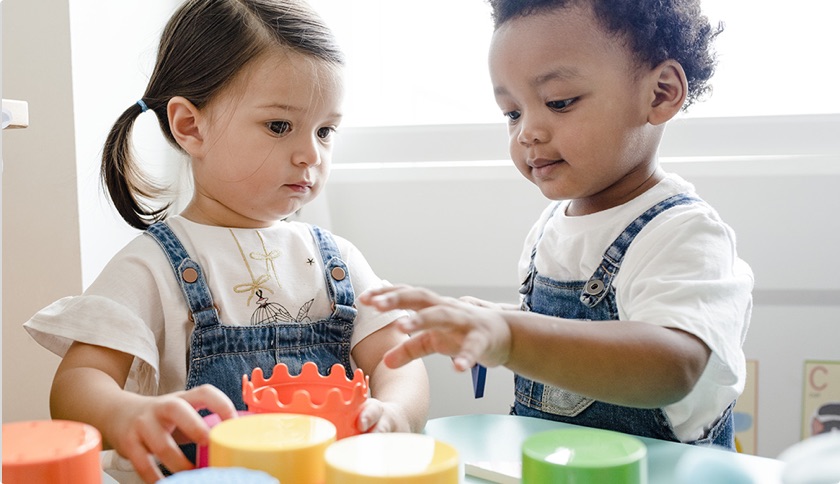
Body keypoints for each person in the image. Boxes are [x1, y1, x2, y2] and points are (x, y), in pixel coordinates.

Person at [23, 1, 429, 482]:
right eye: (280, 126)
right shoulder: (152, 264)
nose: (310, 153)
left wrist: (396, 412)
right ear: (190, 126)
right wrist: (125, 415)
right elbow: (77, 385)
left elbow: (398, 361)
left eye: (325, 130)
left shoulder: (336, 259)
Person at [361, 0, 752, 450]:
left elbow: (674, 365)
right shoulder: (552, 226)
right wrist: (494, 321)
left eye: (559, 102)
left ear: (660, 93)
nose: (527, 131)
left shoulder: (683, 232)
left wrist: (511, 336)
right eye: (512, 112)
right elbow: (557, 333)